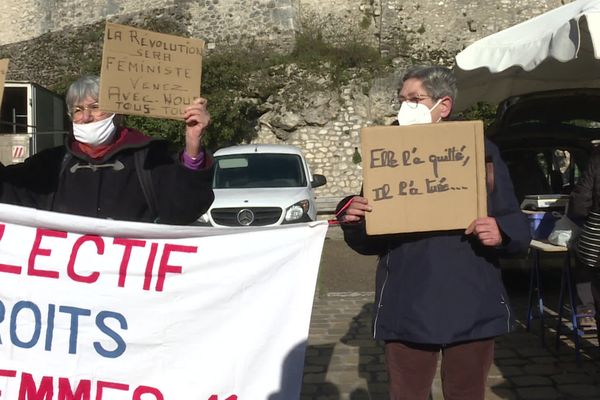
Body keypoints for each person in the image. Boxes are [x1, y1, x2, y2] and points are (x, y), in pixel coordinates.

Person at [336, 65, 531, 400]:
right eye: (402, 100)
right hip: (407, 302)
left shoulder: (480, 150)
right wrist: (353, 219)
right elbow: (372, 235)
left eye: (415, 99)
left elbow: (514, 222)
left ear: (444, 106)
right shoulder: (386, 153)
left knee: (467, 393)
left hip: (471, 300)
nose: (405, 107)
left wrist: (500, 232)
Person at [0, 75, 214, 224]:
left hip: (128, 283)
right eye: (77, 110)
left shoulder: (149, 158)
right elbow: (6, 192)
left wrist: (193, 143)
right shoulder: (50, 164)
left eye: (95, 107)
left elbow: (184, 211)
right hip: (65, 284)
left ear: (117, 111)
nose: (85, 117)